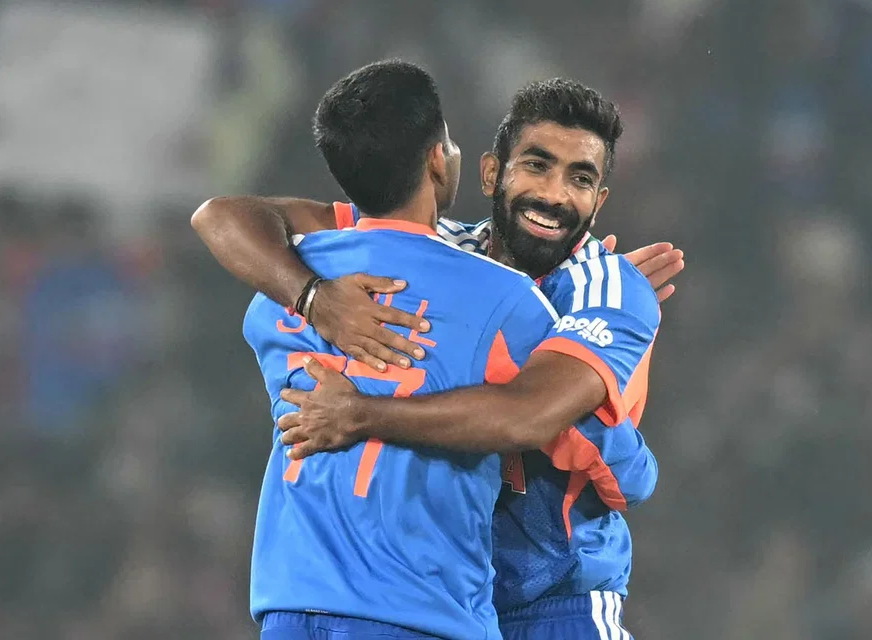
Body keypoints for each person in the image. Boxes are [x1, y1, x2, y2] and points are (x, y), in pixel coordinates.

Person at [194, 79, 685, 639]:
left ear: (599, 202)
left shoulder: (608, 291)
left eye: (580, 179)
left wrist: (362, 412)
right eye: (537, 165)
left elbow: (589, 454)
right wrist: (313, 295)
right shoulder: (429, 250)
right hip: (440, 594)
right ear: (490, 173)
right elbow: (225, 216)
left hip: (557, 604)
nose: (553, 195)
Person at [241, 60, 563, 640]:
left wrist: (311, 296)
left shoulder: (279, 294)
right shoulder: (506, 302)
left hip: (290, 608)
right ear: (438, 158)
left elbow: (227, 217)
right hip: (418, 613)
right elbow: (553, 425)